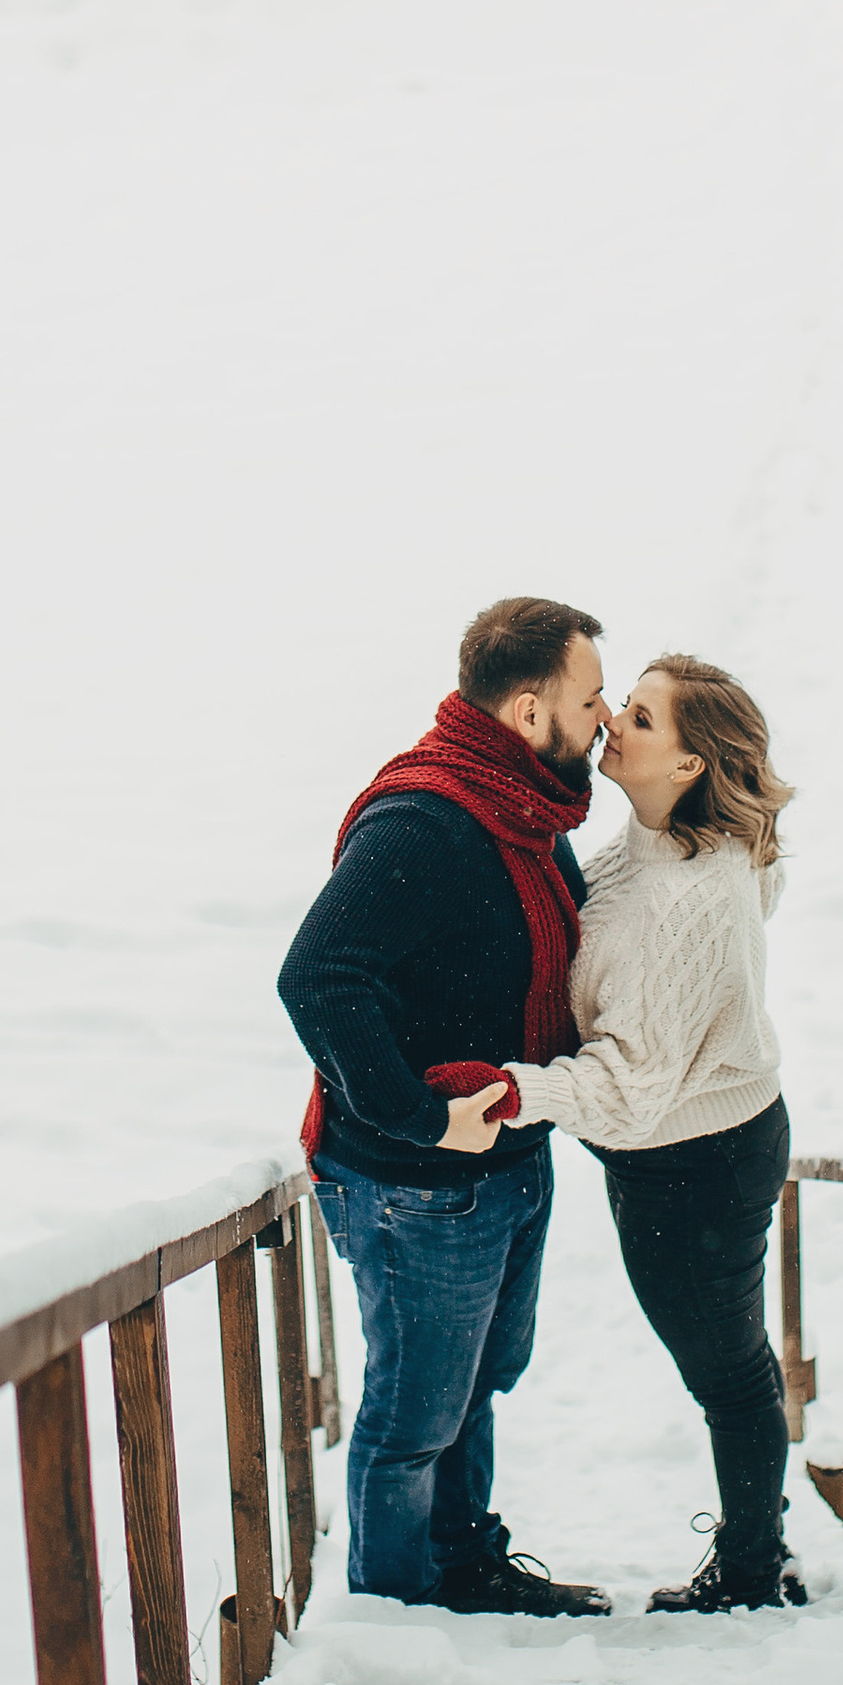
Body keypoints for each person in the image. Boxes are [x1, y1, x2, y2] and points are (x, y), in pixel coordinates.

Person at [443, 653, 802, 1614]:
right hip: (698, 1143)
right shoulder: (657, 847)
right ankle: (758, 1552)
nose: (611, 723)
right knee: (731, 1359)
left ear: (688, 766)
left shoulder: (685, 895)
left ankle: (753, 1573)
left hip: (695, 1162)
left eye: (639, 718)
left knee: (725, 1371)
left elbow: (635, 1088)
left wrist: (510, 1092)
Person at [278, 597, 613, 1618]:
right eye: (589, 697)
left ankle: (462, 1567)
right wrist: (423, 1121)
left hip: (503, 1162)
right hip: (415, 1181)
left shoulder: (520, 807)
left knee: (476, 1383)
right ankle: (396, 1616)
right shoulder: (426, 821)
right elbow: (319, 977)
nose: (603, 717)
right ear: (525, 709)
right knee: (413, 1411)